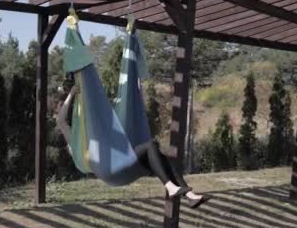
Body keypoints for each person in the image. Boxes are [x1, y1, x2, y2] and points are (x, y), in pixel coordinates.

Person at [56, 85, 211, 209]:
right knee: (150, 146)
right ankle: (170, 187)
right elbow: (61, 121)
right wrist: (71, 94)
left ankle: (190, 197)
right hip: (112, 169)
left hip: (119, 165)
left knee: (165, 159)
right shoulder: (75, 143)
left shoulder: (95, 132)